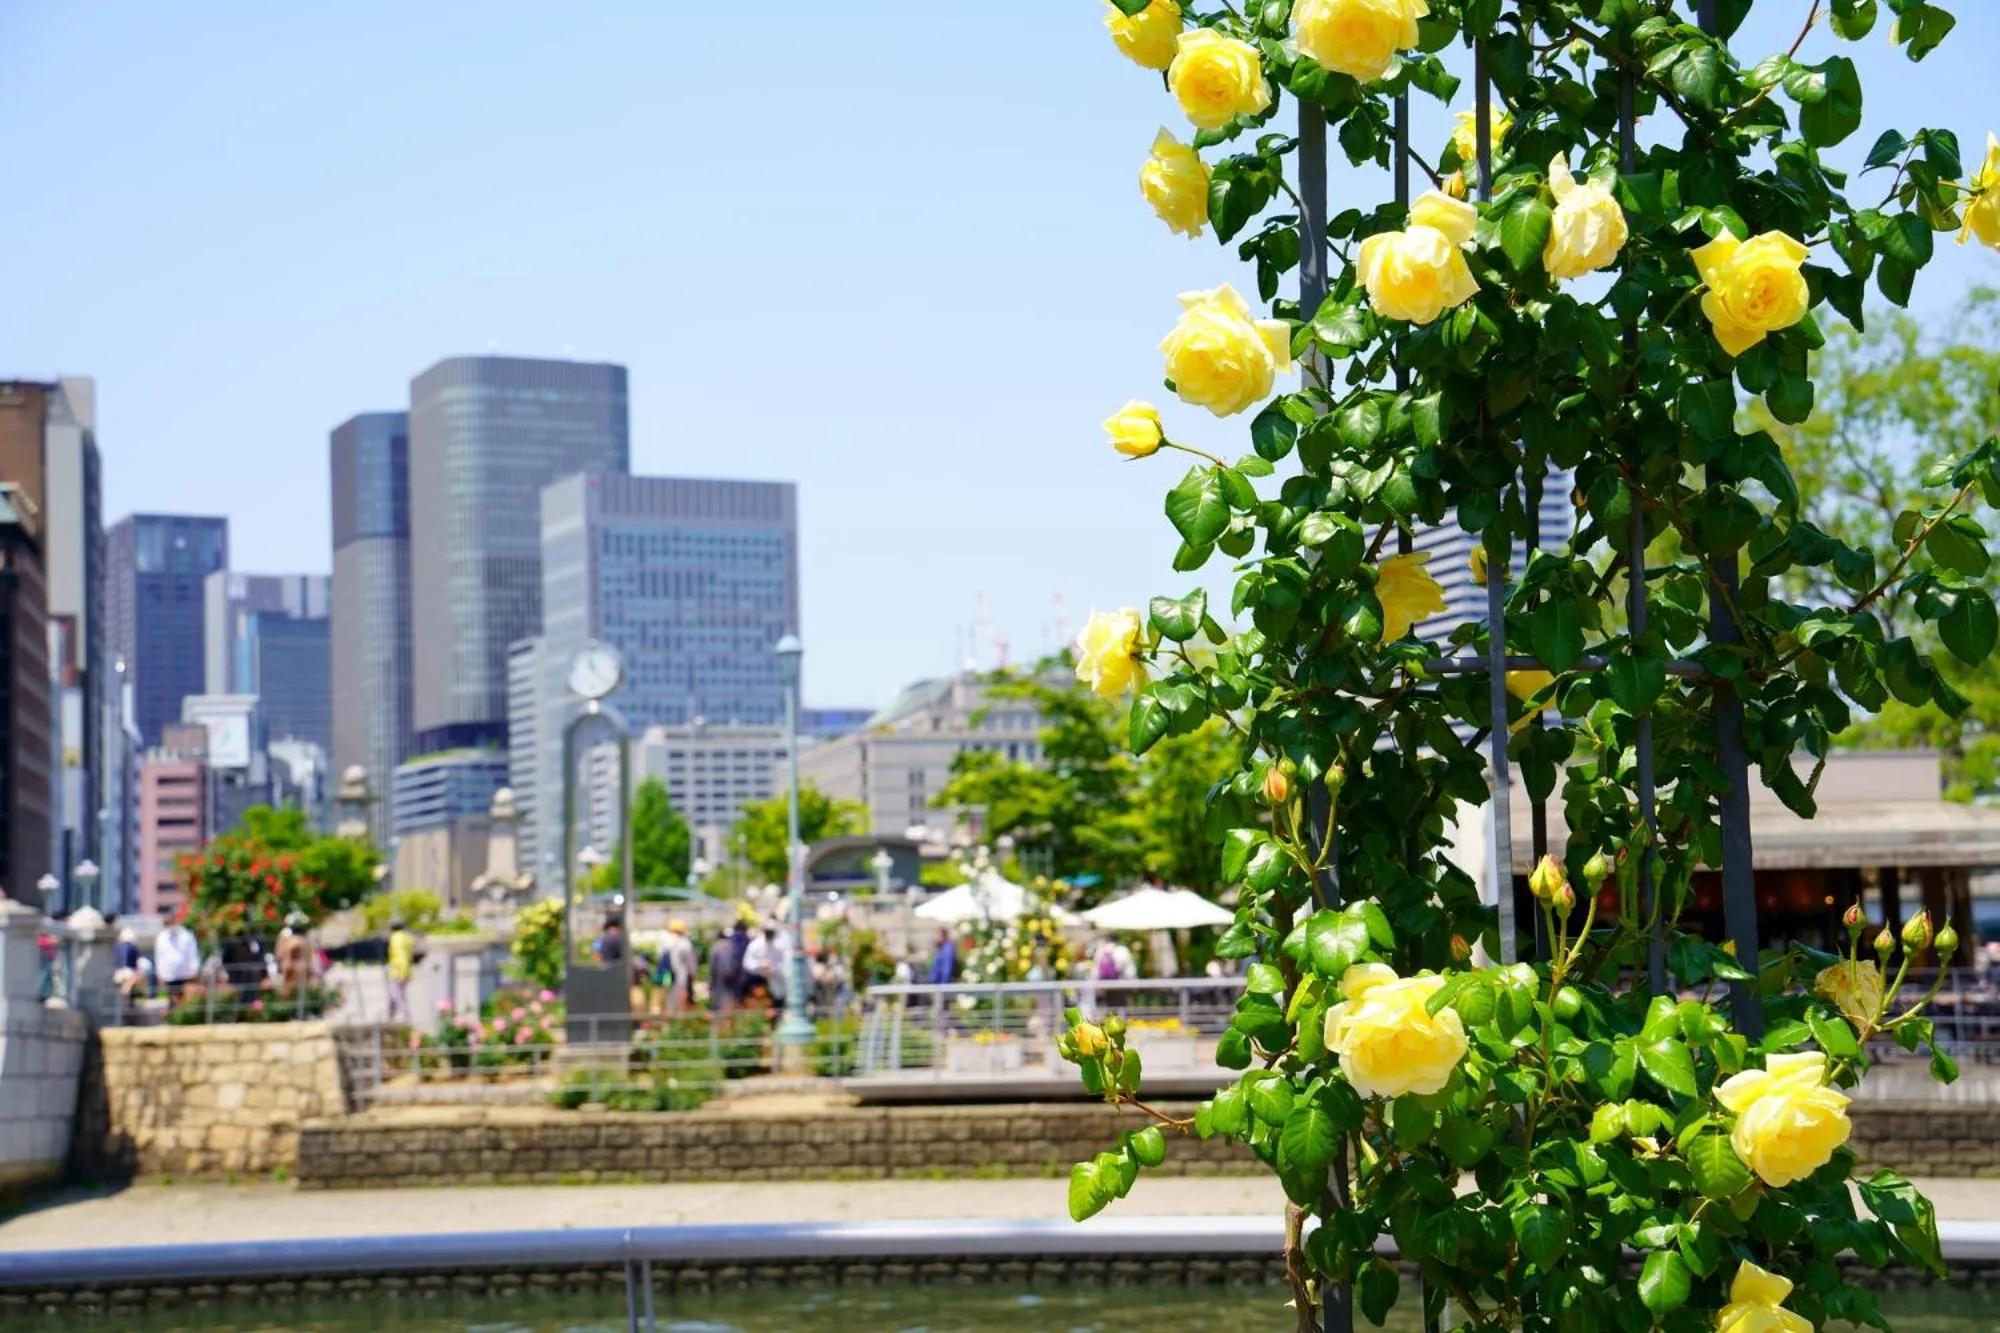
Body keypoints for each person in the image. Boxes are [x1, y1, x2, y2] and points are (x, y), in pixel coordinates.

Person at [154, 915, 201, 998]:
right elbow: (159, 957)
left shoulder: (186, 935)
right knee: (173, 999)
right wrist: (160, 974)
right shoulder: (161, 937)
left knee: (187, 998)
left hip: (186, 973)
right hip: (170, 975)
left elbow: (192, 953)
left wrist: (195, 969)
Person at [659, 918, 699, 1014]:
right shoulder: (684, 944)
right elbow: (692, 966)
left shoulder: (666, 943)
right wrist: (693, 976)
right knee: (682, 1004)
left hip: (668, 976)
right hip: (681, 978)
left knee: (669, 1000)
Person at [386, 917, 415, 1022]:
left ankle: (406, 1016)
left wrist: (401, 973)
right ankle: (390, 1015)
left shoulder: (396, 939)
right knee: (395, 993)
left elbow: (400, 956)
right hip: (406, 969)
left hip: (398, 971)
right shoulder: (407, 938)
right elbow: (409, 957)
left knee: (396, 994)